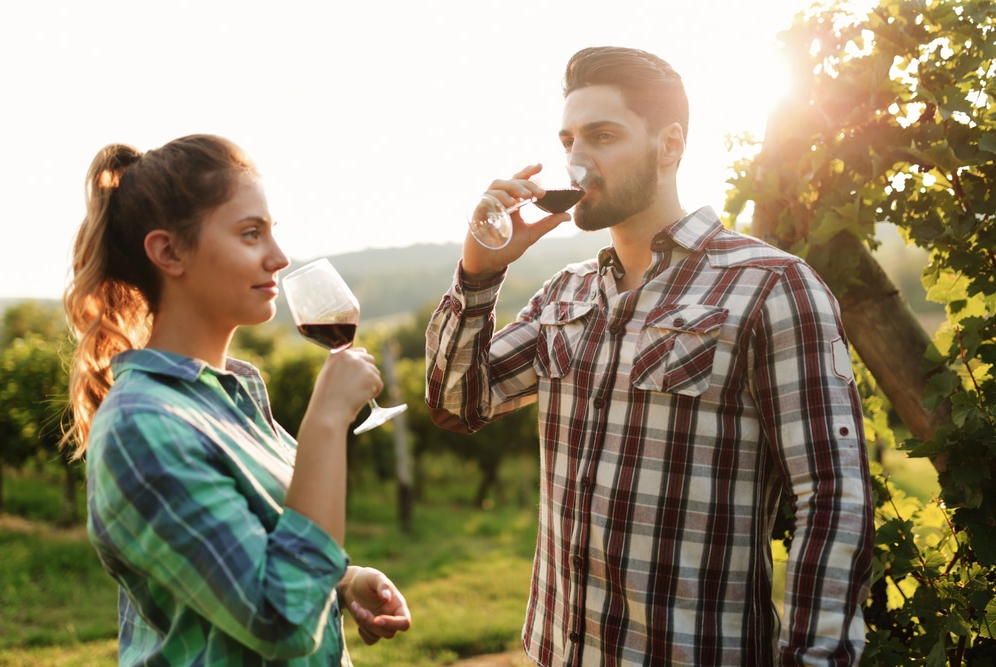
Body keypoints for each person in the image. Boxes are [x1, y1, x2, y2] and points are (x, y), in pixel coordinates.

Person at [426, 46, 874, 665]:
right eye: (568, 141)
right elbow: (458, 403)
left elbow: (832, 494)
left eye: (602, 136)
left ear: (669, 146)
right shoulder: (566, 293)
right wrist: (478, 273)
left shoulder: (771, 286)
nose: (578, 162)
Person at [62, 134, 411, 666]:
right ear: (168, 252)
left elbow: (261, 550)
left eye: (272, 232)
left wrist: (342, 582)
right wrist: (326, 421)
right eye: (251, 234)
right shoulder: (143, 426)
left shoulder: (235, 398)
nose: (278, 257)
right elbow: (279, 621)